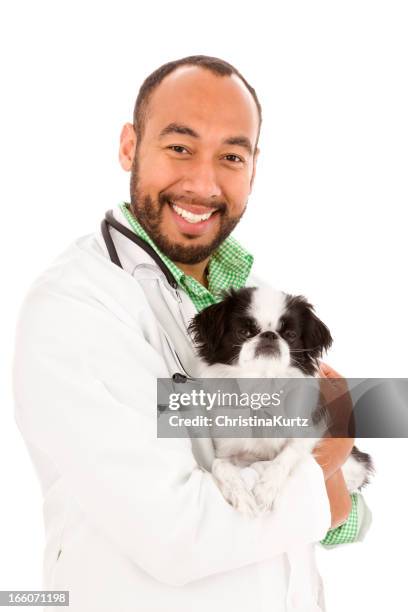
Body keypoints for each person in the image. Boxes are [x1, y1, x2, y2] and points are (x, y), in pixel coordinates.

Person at [12, 55, 371, 612]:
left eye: (231, 155)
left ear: (253, 167)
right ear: (130, 146)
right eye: (179, 146)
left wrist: (333, 481)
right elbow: (177, 535)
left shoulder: (260, 298)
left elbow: (341, 520)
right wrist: (326, 462)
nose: (204, 182)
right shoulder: (76, 306)